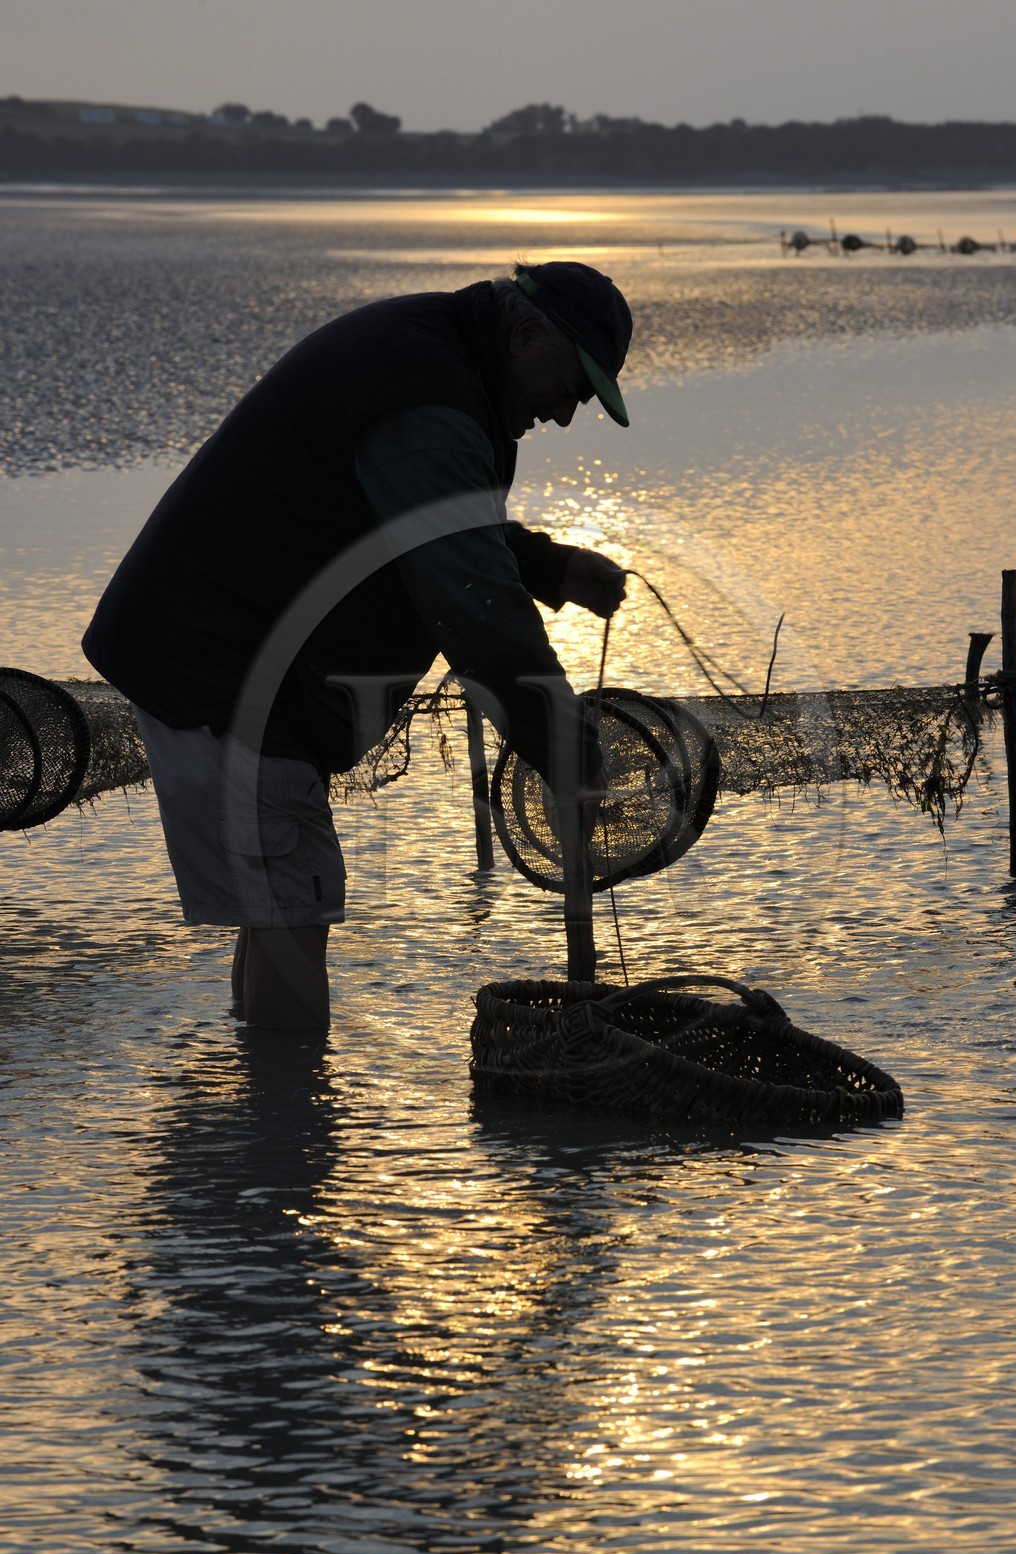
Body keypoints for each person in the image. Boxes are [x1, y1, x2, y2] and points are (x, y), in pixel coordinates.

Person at [82, 260, 633, 1031]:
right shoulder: (423, 389)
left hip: (222, 662)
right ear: (526, 331)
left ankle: (256, 1129)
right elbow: (472, 603)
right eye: (573, 384)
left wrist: (549, 566)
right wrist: (568, 749)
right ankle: (286, 1134)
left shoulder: (441, 361)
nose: (568, 414)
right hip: (226, 673)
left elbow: (435, 513)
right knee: (293, 907)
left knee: (281, 911)